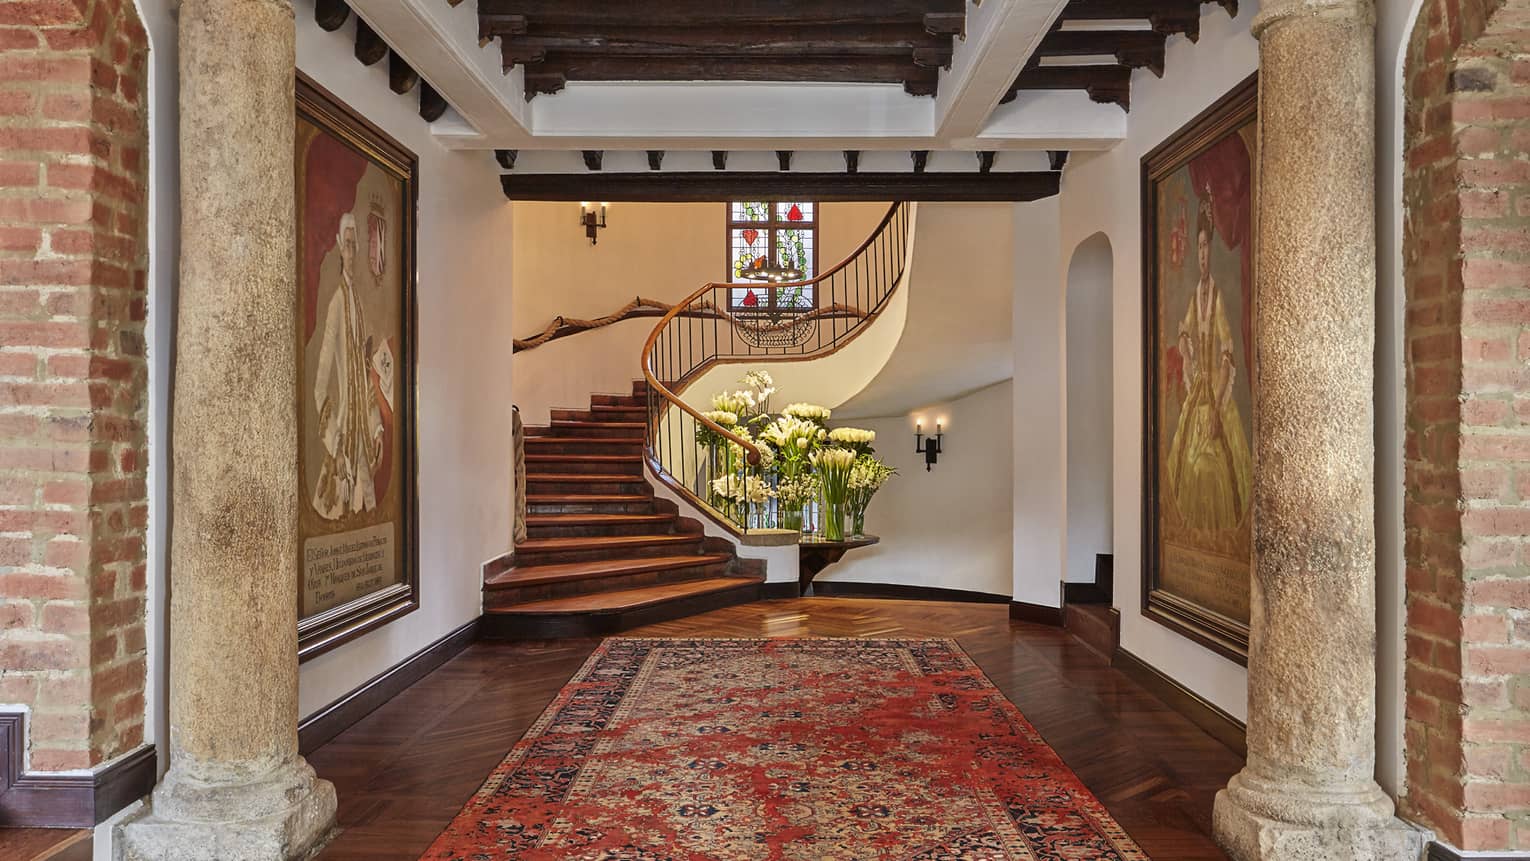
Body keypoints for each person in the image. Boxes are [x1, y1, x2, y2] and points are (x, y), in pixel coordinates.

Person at [1165, 203, 1252, 532]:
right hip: (1199, 387)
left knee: (1212, 470)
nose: (1202, 254)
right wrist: (1187, 354)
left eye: (1206, 246)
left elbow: (1227, 354)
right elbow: (1184, 331)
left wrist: (1217, 407)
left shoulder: (1217, 296)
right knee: (1184, 462)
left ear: (1212, 250)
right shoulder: (1194, 295)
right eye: (1198, 247)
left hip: (1216, 395)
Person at [311, 211, 385, 520]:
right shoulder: (337, 305)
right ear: (341, 245)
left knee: (367, 511)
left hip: (363, 440)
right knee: (338, 513)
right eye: (349, 244)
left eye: (356, 245)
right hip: (344, 439)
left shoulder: (359, 303)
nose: (352, 252)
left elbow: (364, 374)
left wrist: (377, 427)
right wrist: (334, 447)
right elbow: (319, 387)